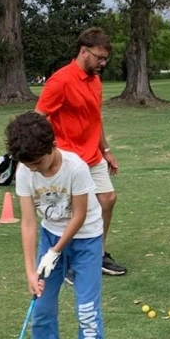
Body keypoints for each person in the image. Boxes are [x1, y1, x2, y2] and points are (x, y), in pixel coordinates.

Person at [6, 111, 106, 339]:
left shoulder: (76, 168)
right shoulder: (25, 171)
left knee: (86, 308)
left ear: (52, 146)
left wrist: (55, 251)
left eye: (38, 163)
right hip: (50, 237)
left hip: (85, 239)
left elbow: (79, 215)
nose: (34, 169)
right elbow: (28, 223)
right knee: (41, 306)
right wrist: (30, 271)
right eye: (29, 165)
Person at [36, 28, 126, 277]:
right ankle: (66, 259)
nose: (103, 63)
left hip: (92, 155)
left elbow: (95, 118)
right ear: (83, 51)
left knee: (107, 199)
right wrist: (44, 154)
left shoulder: (95, 80)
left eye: (105, 58)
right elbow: (38, 117)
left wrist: (105, 150)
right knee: (73, 212)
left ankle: (97, 254)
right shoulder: (60, 81)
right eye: (99, 57)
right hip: (68, 159)